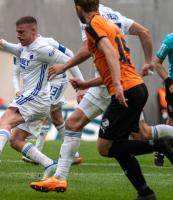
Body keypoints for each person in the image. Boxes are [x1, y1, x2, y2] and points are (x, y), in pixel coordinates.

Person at [31, 1, 173, 199]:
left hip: (123, 90)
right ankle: (145, 193)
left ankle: (161, 145)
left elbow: (110, 54)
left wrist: (116, 85)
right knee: (94, 133)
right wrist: (77, 76)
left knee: (106, 147)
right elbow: (92, 50)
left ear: (78, 8)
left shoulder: (94, 24)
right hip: (131, 88)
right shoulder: (109, 23)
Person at [0, 16, 84, 180]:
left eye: (21, 32)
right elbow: (17, 49)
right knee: (16, 140)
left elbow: (70, 60)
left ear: (33, 31)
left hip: (35, 97)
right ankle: (49, 164)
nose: (18, 35)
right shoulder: (24, 47)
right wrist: (0, 42)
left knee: (4, 121)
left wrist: (81, 86)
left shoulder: (43, 47)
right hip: (37, 100)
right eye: (17, 32)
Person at [12, 36, 82, 165]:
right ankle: (74, 154)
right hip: (44, 83)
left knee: (44, 109)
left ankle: (37, 150)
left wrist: (80, 81)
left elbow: (70, 54)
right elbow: (15, 73)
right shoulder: (19, 49)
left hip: (58, 79)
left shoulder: (47, 42)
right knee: (57, 118)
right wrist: (17, 89)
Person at [143, 32, 173, 167]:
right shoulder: (170, 39)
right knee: (171, 120)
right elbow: (156, 62)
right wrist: (168, 82)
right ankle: (161, 150)